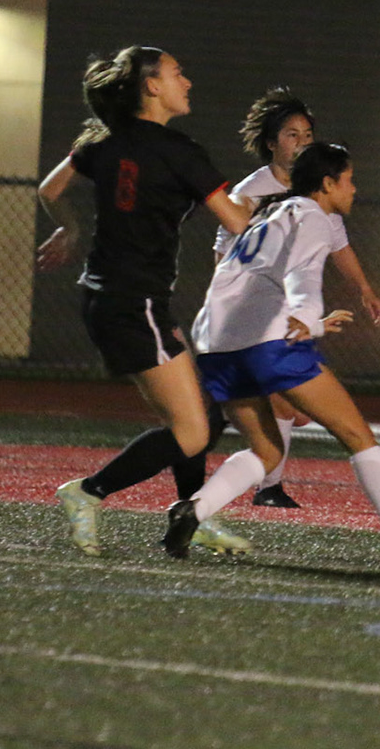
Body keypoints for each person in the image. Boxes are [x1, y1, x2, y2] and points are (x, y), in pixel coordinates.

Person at [173, 142, 380, 567]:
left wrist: (307, 320)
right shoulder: (312, 216)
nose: (354, 189)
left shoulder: (271, 214)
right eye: (349, 180)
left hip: (215, 344)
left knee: (267, 451)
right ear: (327, 184)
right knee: (358, 436)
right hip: (266, 344)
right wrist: (310, 318)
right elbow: (301, 276)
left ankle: (191, 511)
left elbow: (234, 274)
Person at [38, 46, 252, 557]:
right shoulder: (180, 152)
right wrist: (277, 198)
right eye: (178, 73)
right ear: (152, 86)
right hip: (136, 305)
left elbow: (49, 190)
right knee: (194, 431)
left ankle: (191, 514)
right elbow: (237, 222)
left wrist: (69, 227)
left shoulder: (102, 140)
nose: (188, 82)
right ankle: (89, 492)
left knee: (196, 413)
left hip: (111, 299)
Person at [213, 88, 380, 508]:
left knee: (290, 407)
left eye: (307, 134)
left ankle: (244, 474)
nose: (302, 142)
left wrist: (364, 289)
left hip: (289, 311)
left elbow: (338, 244)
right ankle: (263, 487)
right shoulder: (253, 190)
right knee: (284, 402)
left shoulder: (314, 186)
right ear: (271, 143)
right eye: (292, 134)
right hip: (256, 311)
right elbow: (223, 249)